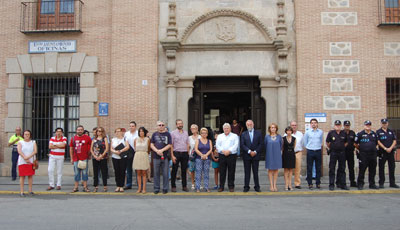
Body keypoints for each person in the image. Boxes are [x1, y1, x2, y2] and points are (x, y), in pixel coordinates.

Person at [355, 120, 379, 190]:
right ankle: (360, 184)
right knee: (362, 170)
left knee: (372, 170)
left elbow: (377, 143)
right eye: (366, 125)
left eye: (369, 125)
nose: (368, 126)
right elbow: (355, 144)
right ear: (364, 126)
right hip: (363, 155)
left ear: (371, 126)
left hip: (373, 155)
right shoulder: (360, 134)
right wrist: (361, 149)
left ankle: (372, 184)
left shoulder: (374, 134)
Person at [240, 120, 263, 192]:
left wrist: (255, 151)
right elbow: (242, 145)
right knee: (247, 172)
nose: (249, 125)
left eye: (250, 124)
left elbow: (261, 144)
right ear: (246, 126)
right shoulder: (243, 134)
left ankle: (257, 186)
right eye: (248, 124)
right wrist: (249, 151)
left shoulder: (258, 133)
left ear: (253, 125)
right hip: (247, 155)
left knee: (255, 172)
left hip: (256, 155)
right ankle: (246, 186)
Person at [216, 123, 239, 192]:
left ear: (230, 129)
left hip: (231, 155)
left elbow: (236, 145)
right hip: (222, 155)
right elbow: (217, 145)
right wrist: (223, 151)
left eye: (227, 128)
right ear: (223, 129)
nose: (226, 129)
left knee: (231, 171)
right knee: (222, 171)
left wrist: (229, 151)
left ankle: (231, 186)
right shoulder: (220, 136)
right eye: (225, 128)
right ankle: (221, 186)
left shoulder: (234, 136)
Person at [326, 120, 348, 191]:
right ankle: (331, 184)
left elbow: (346, 142)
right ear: (334, 126)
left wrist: (341, 147)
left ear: (341, 126)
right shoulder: (331, 133)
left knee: (342, 169)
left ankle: (342, 184)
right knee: (332, 169)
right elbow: (327, 142)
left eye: (339, 125)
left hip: (342, 153)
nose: (337, 126)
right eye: (336, 125)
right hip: (333, 153)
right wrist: (332, 147)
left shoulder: (344, 133)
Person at [150, 121, 172, 194]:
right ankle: (156, 188)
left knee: (165, 173)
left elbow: (169, 144)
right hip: (156, 157)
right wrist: (157, 151)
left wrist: (162, 150)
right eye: (159, 125)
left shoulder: (168, 134)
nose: (161, 126)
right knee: (156, 173)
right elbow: (151, 144)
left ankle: (165, 188)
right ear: (157, 126)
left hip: (165, 157)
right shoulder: (154, 134)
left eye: (163, 125)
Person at [377, 118, 399, 188]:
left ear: (387, 123)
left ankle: (392, 183)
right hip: (382, 152)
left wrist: (390, 148)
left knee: (392, 167)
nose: (384, 124)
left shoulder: (391, 131)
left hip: (390, 152)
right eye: (383, 123)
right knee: (381, 168)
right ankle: (381, 183)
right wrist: (385, 148)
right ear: (381, 124)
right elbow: (378, 141)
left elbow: (394, 140)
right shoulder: (378, 131)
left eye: (385, 123)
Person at [69, 125, 92, 192]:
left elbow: (91, 147)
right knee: (76, 173)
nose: (80, 131)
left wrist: (89, 154)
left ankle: (85, 187)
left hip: (84, 158)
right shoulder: (73, 138)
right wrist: (71, 158)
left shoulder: (87, 138)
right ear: (76, 131)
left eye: (81, 130)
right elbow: (71, 149)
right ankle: (76, 187)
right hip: (76, 158)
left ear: (83, 130)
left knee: (84, 173)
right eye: (78, 130)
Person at [303, 118, 324, 190]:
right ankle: (310, 183)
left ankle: (318, 183)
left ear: (317, 124)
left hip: (318, 151)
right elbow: (305, 142)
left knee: (318, 168)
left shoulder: (320, 132)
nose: (314, 124)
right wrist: (308, 148)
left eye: (315, 123)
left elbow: (321, 140)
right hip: (310, 151)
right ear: (310, 124)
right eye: (312, 123)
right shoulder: (307, 132)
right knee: (309, 168)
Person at [170, 119, 190, 192]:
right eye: (178, 124)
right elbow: (171, 145)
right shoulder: (173, 133)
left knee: (184, 170)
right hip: (176, 153)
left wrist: (188, 153)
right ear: (176, 125)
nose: (180, 125)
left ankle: (184, 186)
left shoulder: (186, 133)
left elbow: (187, 143)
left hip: (185, 153)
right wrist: (172, 155)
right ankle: (173, 186)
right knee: (174, 170)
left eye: (181, 123)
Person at [17, 130, 37, 197]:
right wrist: (25, 158)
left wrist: (28, 157)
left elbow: (35, 151)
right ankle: (22, 191)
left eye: (28, 134)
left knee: (30, 176)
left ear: (30, 135)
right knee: (22, 176)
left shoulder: (33, 142)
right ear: (23, 135)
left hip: (31, 161)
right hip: (22, 162)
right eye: (25, 134)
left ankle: (30, 190)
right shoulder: (20, 142)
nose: (27, 135)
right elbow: (19, 151)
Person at [111, 128, 130, 192]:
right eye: (116, 131)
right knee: (116, 171)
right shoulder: (113, 139)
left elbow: (127, 147)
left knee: (122, 171)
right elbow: (111, 148)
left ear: (122, 132)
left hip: (123, 157)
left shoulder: (125, 139)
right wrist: (115, 152)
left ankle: (121, 186)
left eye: (118, 131)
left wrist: (121, 150)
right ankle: (117, 185)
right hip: (115, 157)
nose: (117, 133)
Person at [194, 128, 213, 192]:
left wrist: (206, 155)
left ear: (207, 134)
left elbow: (210, 149)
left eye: (205, 133)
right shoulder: (198, 141)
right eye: (202, 133)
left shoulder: (209, 141)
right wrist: (202, 155)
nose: (204, 134)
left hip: (207, 159)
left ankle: (206, 187)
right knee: (198, 173)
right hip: (199, 158)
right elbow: (196, 149)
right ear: (200, 134)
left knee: (206, 173)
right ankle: (197, 187)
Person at [90, 127, 109, 192]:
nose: (99, 132)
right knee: (95, 173)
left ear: (102, 132)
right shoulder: (94, 139)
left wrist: (101, 156)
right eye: (98, 131)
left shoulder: (105, 138)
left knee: (104, 172)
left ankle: (105, 186)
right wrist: (95, 156)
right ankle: (96, 186)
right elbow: (91, 149)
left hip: (103, 157)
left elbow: (106, 148)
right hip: (95, 158)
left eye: (100, 131)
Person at [265, 123, 282, 192]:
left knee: (276, 170)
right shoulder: (267, 137)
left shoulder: (279, 137)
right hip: (269, 154)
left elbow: (281, 145)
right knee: (270, 170)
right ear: (269, 129)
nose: (273, 129)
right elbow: (265, 145)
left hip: (277, 154)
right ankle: (271, 185)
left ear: (276, 129)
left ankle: (275, 185)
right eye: (271, 127)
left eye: (274, 127)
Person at [133, 127, 151, 193]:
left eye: (142, 131)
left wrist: (145, 153)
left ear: (145, 132)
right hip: (137, 155)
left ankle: (144, 188)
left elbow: (149, 149)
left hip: (144, 155)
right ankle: (139, 188)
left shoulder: (147, 140)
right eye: (140, 131)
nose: (141, 132)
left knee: (144, 173)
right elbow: (135, 148)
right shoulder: (136, 139)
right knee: (138, 173)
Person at [288, 121, 304, 189]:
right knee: (289, 169)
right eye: (292, 125)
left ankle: (297, 183)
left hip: (298, 152)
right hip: (289, 153)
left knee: (298, 169)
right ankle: (288, 184)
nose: (294, 126)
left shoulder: (300, 134)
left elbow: (303, 143)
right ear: (290, 126)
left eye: (295, 125)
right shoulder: (286, 134)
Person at [124, 121, 138, 189]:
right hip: (129, 153)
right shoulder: (126, 134)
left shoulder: (138, 133)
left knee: (137, 169)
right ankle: (129, 184)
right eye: (130, 126)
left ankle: (139, 184)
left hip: (136, 152)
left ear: (135, 127)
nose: (131, 127)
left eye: (133, 126)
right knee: (128, 169)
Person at [343, 120, 357, 187]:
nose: (347, 127)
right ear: (344, 126)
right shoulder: (341, 133)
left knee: (351, 168)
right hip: (343, 152)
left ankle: (352, 182)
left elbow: (355, 142)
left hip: (350, 152)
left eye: (348, 125)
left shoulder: (352, 133)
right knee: (342, 168)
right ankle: (342, 182)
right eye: (346, 125)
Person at [282, 126, 296, 191]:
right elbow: (282, 147)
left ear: (292, 132)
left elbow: (294, 146)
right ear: (286, 131)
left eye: (290, 131)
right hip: (285, 154)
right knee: (286, 170)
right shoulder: (283, 138)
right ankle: (286, 184)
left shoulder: (294, 138)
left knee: (290, 170)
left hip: (291, 154)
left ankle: (290, 184)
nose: (289, 132)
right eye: (288, 131)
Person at [188, 124, 200, 190]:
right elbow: (188, 147)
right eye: (191, 128)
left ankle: (199, 183)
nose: (193, 130)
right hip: (192, 156)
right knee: (192, 170)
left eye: (194, 128)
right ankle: (193, 183)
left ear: (197, 129)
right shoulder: (189, 138)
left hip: (199, 155)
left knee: (199, 170)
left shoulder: (200, 137)